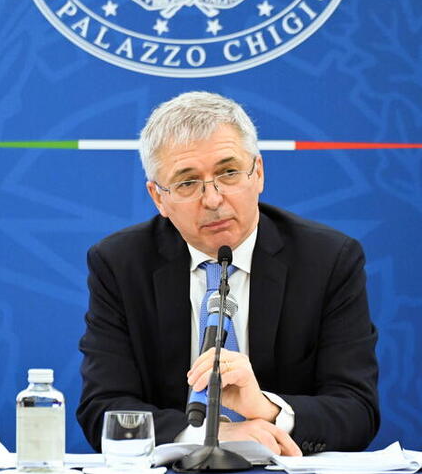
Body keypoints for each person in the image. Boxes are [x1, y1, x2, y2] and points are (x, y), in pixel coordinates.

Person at [77, 91, 379, 456]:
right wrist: (208, 436)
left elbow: (357, 409)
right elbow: (104, 411)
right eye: (188, 182)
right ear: (159, 198)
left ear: (259, 173)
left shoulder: (328, 259)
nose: (214, 199)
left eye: (228, 172)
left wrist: (266, 409)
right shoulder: (120, 264)